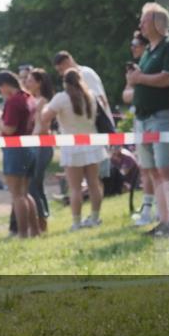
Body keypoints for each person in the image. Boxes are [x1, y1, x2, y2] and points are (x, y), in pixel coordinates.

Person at [125, 2, 169, 237]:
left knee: (166, 169)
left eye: (144, 20)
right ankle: (164, 221)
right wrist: (136, 80)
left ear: (157, 23)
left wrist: (139, 78)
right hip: (144, 118)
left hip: (163, 116)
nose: (140, 24)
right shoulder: (149, 49)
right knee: (152, 171)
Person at [41, 69, 107, 230]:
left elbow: (45, 117)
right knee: (94, 184)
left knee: (75, 188)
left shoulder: (61, 98)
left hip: (72, 146)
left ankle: (76, 223)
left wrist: (44, 107)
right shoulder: (91, 95)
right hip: (92, 143)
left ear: (65, 82)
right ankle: (95, 218)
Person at [0, 71, 40, 238]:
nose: (1, 92)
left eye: (0, 89)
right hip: (29, 147)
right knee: (26, 193)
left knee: (17, 195)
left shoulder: (13, 102)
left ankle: (22, 233)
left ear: (5, 85)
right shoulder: (29, 97)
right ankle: (34, 230)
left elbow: (9, 128)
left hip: (15, 149)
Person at [123, 31, 159, 225]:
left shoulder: (153, 64)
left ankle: (162, 208)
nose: (133, 47)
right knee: (146, 168)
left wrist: (138, 84)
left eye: (136, 43)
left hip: (157, 119)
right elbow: (126, 96)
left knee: (160, 168)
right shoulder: (136, 69)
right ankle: (148, 208)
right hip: (140, 120)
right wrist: (133, 83)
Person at [22, 68, 54, 233]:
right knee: (36, 185)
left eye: (30, 80)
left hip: (41, 145)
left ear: (39, 82)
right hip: (35, 145)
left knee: (34, 185)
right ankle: (41, 220)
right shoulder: (34, 101)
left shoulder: (42, 101)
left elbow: (43, 127)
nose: (26, 83)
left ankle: (42, 222)